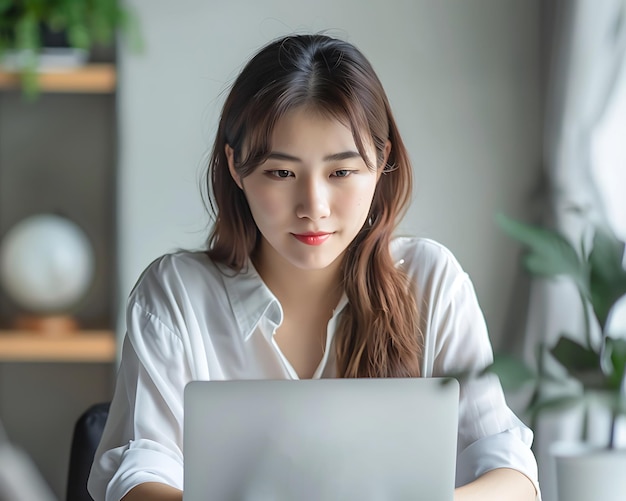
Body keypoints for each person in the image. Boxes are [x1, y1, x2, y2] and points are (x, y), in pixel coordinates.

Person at [88, 33, 540, 501]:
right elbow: (138, 473)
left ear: (382, 161)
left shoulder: (430, 280)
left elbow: (511, 472)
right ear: (236, 167)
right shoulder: (177, 295)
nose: (314, 206)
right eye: (281, 174)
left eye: (341, 172)